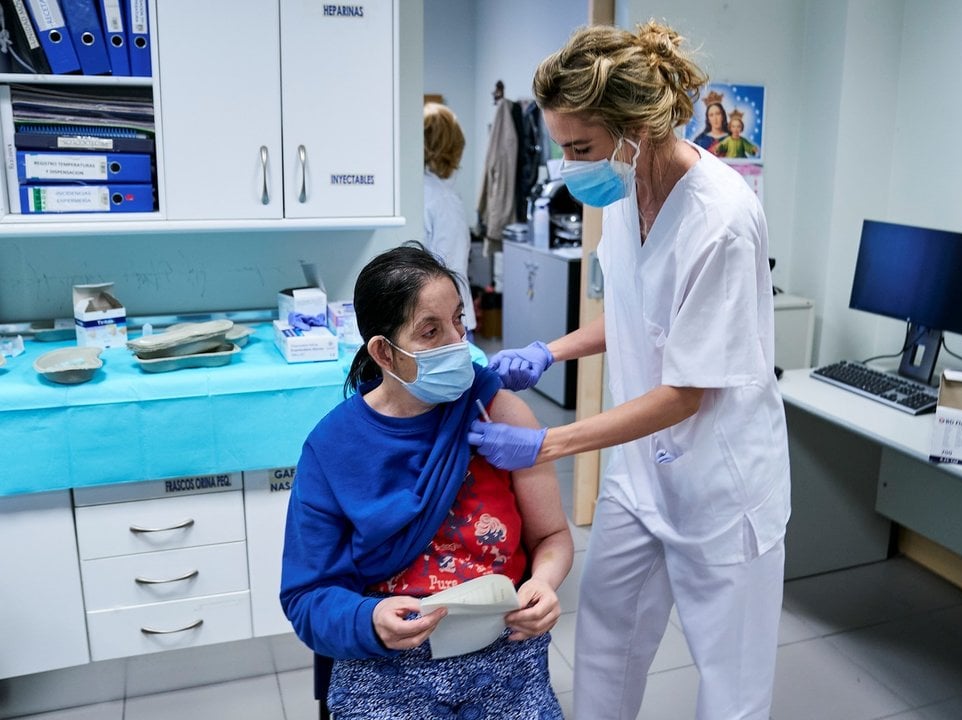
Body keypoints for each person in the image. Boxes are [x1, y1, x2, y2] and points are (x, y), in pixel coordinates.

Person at [468, 20, 790, 720]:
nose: (568, 166)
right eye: (560, 147)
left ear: (634, 128)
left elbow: (686, 391)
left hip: (721, 486)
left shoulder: (722, 220)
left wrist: (547, 445)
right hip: (641, 478)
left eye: (579, 147)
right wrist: (548, 352)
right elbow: (637, 316)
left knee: (731, 688)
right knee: (606, 645)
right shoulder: (623, 197)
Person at [280, 243, 572, 720]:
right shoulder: (334, 447)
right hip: (387, 665)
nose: (457, 343)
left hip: (507, 651)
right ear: (384, 353)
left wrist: (543, 584)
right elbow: (306, 596)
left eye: (458, 321)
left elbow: (553, 536)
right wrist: (370, 620)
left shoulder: (496, 412)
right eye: (430, 332)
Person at [423, 102, 478, 341]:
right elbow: (451, 270)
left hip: (425, 322)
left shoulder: (411, 191)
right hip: (450, 323)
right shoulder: (443, 200)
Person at [692, 90, 729, 156]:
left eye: (718, 113)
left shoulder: (732, 138)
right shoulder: (700, 140)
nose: (715, 118)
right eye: (711, 115)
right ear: (708, 119)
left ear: (723, 116)